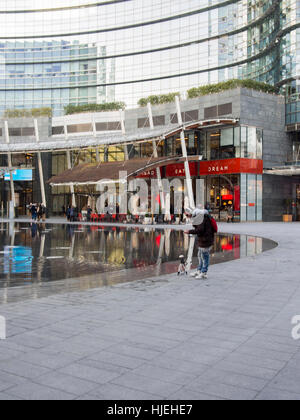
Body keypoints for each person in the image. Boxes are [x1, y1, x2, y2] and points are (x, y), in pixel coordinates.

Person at [185, 208, 216, 280]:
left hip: (206, 240)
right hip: (204, 240)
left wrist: (189, 231)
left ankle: (204, 272)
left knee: (205, 257)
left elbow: (200, 230)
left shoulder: (202, 219)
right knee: (200, 255)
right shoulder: (203, 218)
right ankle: (199, 270)